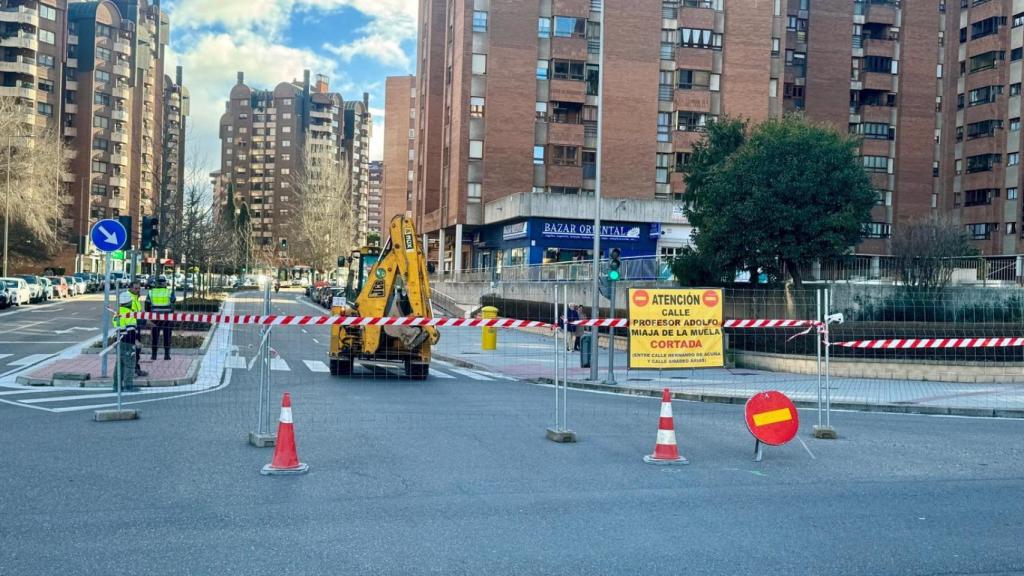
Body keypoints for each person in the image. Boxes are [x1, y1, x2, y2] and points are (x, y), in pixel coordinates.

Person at [114, 291, 145, 392]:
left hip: (119, 341)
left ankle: (117, 386)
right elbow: (131, 331)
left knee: (119, 365)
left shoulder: (117, 313)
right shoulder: (129, 314)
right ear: (129, 302)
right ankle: (128, 385)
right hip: (128, 343)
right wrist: (136, 342)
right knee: (130, 365)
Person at [146, 276, 176, 360]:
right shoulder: (170, 292)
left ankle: (154, 355)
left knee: (155, 336)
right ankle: (167, 355)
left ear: (157, 283)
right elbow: (173, 302)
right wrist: (171, 311)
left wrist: (151, 313)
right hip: (167, 317)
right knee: (167, 335)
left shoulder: (151, 292)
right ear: (165, 283)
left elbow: (147, 305)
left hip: (155, 318)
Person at [128, 281, 146, 376]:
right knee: (132, 350)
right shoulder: (129, 298)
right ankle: (131, 371)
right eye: (135, 288)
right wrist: (144, 321)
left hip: (136, 327)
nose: (138, 290)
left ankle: (135, 369)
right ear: (130, 288)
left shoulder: (135, 298)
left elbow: (138, 313)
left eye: (139, 288)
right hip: (130, 328)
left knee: (137, 350)